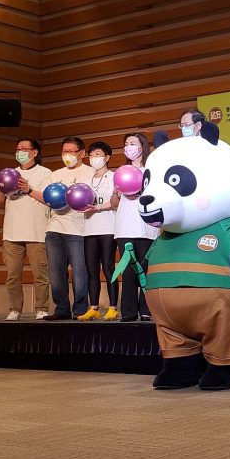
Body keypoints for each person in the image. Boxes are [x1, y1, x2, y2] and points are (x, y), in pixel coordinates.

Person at [0, 138, 52, 321]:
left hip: (36, 231)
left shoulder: (45, 173)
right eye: (18, 149)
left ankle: (41, 308)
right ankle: (15, 308)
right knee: (12, 275)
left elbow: (48, 199)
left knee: (40, 274)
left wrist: (28, 189)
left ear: (34, 153)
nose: (21, 152)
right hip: (11, 232)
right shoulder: (8, 173)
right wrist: (3, 188)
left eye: (25, 149)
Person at [43, 137, 94, 321]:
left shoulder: (90, 172)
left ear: (82, 153)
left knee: (80, 271)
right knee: (55, 272)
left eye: (72, 151)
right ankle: (61, 308)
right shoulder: (55, 174)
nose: (67, 155)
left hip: (79, 229)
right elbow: (46, 197)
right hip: (54, 228)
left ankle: (80, 309)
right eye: (64, 151)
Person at [112, 132, 158, 322]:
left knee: (146, 268)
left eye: (133, 143)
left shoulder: (151, 170)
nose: (128, 147)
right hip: (125, 227)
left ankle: (146, 309)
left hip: (147, 227)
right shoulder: (120, 172)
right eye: (126, 144)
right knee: (129, 270)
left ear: (142, 146)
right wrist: (116, 191)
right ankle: (129, 312)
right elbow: (114, 203)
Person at [79, 141, 119, 321]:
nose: (94, 158)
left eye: (98, 154)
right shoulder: (86, 180)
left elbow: (114, 202)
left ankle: (112, 307)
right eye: (92, 154)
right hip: (89, 230)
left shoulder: (114, 177)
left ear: (107, 157)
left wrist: (97, 208)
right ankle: (93, 306)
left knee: (109, 267)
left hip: (108, 229)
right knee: (91, 270)